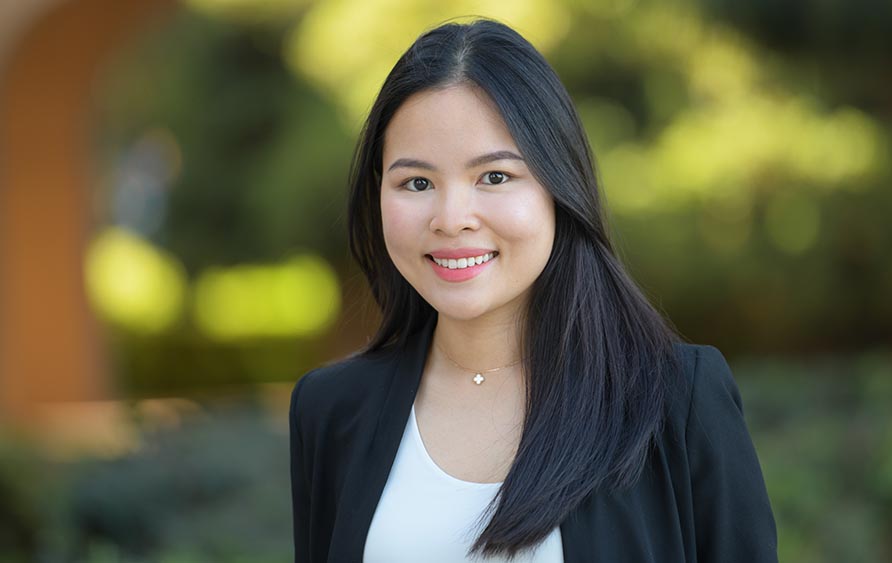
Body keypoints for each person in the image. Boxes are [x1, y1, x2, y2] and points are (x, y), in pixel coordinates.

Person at [289, 17, 778, 563]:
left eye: (494, 177)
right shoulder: (330, 411)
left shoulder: (674, 402)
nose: (451, 219)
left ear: (559, 185)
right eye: (417, 183)